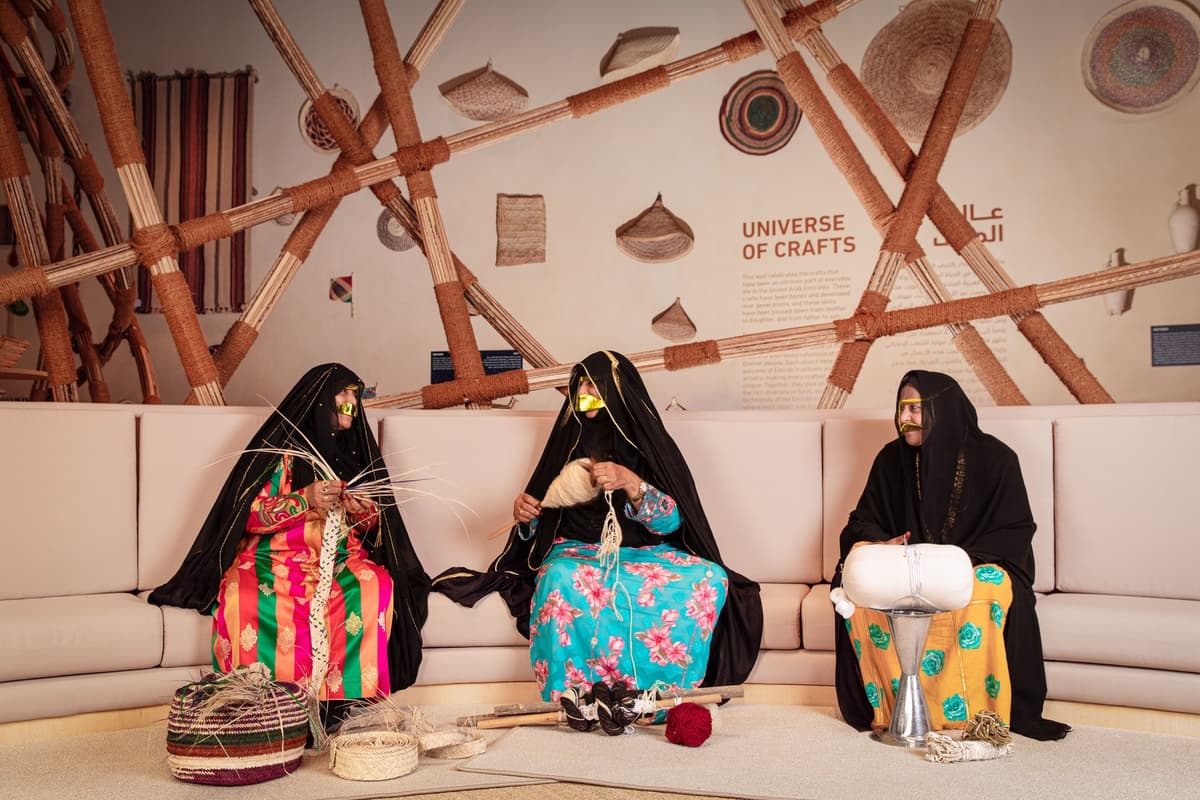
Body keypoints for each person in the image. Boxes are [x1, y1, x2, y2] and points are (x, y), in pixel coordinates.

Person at [433, 350, 762, 700]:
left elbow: (672, 523)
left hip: (649, 554)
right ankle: (576, 699)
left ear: (618, 391)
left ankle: (662, 696)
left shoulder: (650, 446)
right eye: (582, 386)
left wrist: (631, 482)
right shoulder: (567, 442)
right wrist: (525, 517)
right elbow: (536, 528)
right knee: (558, 578)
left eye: (596, 386)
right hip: (579, 553)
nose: (586, 393)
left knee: (709, 577)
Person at [149, 363, 431, 728]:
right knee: (244, 596)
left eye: (355, 396)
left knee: (372, 588)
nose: (351, 403)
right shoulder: (282, 454)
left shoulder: (358, 457)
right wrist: (305, 498)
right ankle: (260, 706)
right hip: (272, 558)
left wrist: (365, 512)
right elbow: (249, 516)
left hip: (340, 561)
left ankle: (342, 709)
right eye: (342, 394)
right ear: (319, 401)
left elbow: (379, 531)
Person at [833, 370, 1069, 741]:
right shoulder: (890, 460)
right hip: (903, 570)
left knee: (989, 587)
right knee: (857, 588)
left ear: (943, 409)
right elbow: (861, 522)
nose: (904, 418)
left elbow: (1015, 531)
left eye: (915, 408)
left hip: (973, 567)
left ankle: (977, 714)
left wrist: (959, 562)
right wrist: (883, 543)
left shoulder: (996, 459)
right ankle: (895, 710)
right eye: (901, 408)